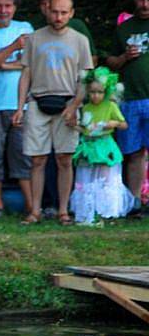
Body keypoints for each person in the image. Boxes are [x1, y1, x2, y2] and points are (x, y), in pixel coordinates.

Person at [12, 0, 93, 225]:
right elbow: (25, 74)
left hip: (67, 103)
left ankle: (63, 211)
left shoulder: (80, 40)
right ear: (47, 11)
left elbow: (85, 79)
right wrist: (20, 107)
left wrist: (74, 106)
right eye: (55, 12)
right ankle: (35, 211)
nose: (58, 17)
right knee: (37, 160)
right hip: (38, 102)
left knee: (64, 159)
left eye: (63, 13)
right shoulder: (35, 38)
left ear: (71, 13)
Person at [0, 0, 34, 217]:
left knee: (22, 155)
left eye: (8, 6)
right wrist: (13, 47)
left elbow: (29, 63)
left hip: (21, 105)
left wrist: (2, 63)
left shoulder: (25, 28)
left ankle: (31, 206)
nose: (3, 10)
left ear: (15, 8)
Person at [70, 68, 134, 224]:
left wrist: (114, 123)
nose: (95, 96)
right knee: (86, 178)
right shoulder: (86, 108)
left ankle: (106, 212)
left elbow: (124, 124)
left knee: (106, 179)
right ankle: (86, 211)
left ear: (106, 91)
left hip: (105, 145)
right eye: (92, 92)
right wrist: (74, 126)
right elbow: (85, 129)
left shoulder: (111, 106)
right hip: (89, 145)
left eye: (99, 92)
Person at [106, 0, 149, 218]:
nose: (145, 4)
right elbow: (111, 62)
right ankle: (135, 204)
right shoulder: (125, 28)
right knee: (133, 153)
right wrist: (124, 57)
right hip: (130, 98)